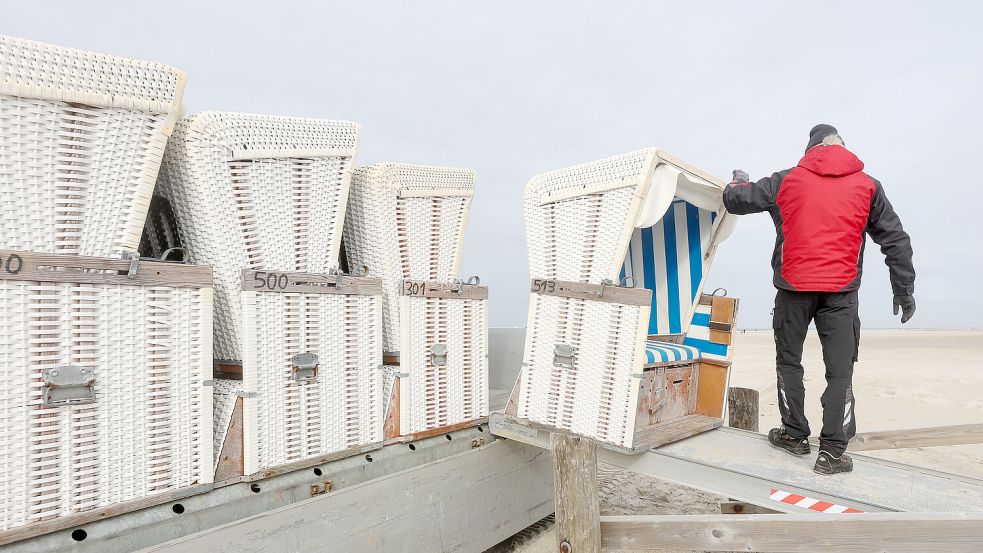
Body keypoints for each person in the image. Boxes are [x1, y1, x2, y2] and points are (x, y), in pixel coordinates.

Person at [724, 124, 915, 475]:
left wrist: (737, 181)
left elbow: (736, 200)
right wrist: (903, 289)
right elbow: (895, 239)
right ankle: (831, 452)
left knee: (789, 363)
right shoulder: (868, 185)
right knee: (840, 371)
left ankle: (795, 435)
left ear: (811, 149)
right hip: (841, 294)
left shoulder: (786, 180)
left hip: (792, 290)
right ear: (842, 146)